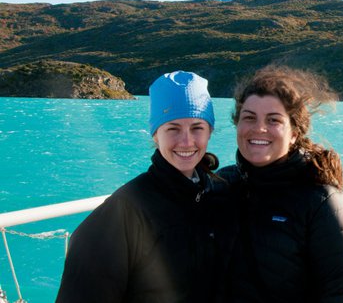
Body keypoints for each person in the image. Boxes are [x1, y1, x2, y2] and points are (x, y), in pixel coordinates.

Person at [56, 71, 225, 303]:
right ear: (155, 135)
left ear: (210, 131)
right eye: (173, 128)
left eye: (197, 128)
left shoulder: (218, 195)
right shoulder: (123, 213)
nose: (186, 141)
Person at [219, 65, 343, 303]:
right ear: (237, 124)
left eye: (273, 120)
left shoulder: (322, 202)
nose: (259, 128)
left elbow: (341, 296)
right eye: (249, 117)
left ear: (294, 133)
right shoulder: (222, 185)